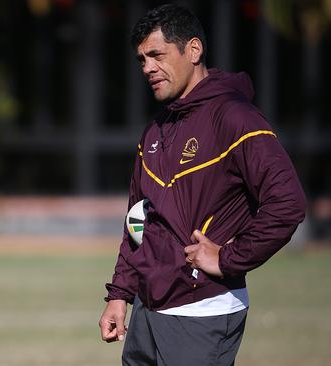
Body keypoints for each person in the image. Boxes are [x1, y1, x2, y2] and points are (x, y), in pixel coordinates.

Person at [99, 4, 306, 365]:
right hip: (147, 310)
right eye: (142, 59)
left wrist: (229, 258)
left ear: (193, 50)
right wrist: (120, 294)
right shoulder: (155, 129)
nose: (147, 67)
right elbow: (137, 218)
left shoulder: (237, 118)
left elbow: (287, 204)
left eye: (156, 55)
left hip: (203, 310)